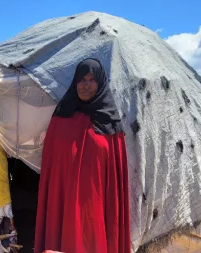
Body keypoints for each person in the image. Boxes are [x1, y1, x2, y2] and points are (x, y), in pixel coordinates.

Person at [34, 59, 131, 253]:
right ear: (75, 82)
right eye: (81, 80)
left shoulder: (110, 122)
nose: (86, 85)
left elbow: (116, 176)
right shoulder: (60, 117)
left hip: (95, 204)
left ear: (100, 83)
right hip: (62, 198)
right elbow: (52, 166)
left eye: (91, 80)